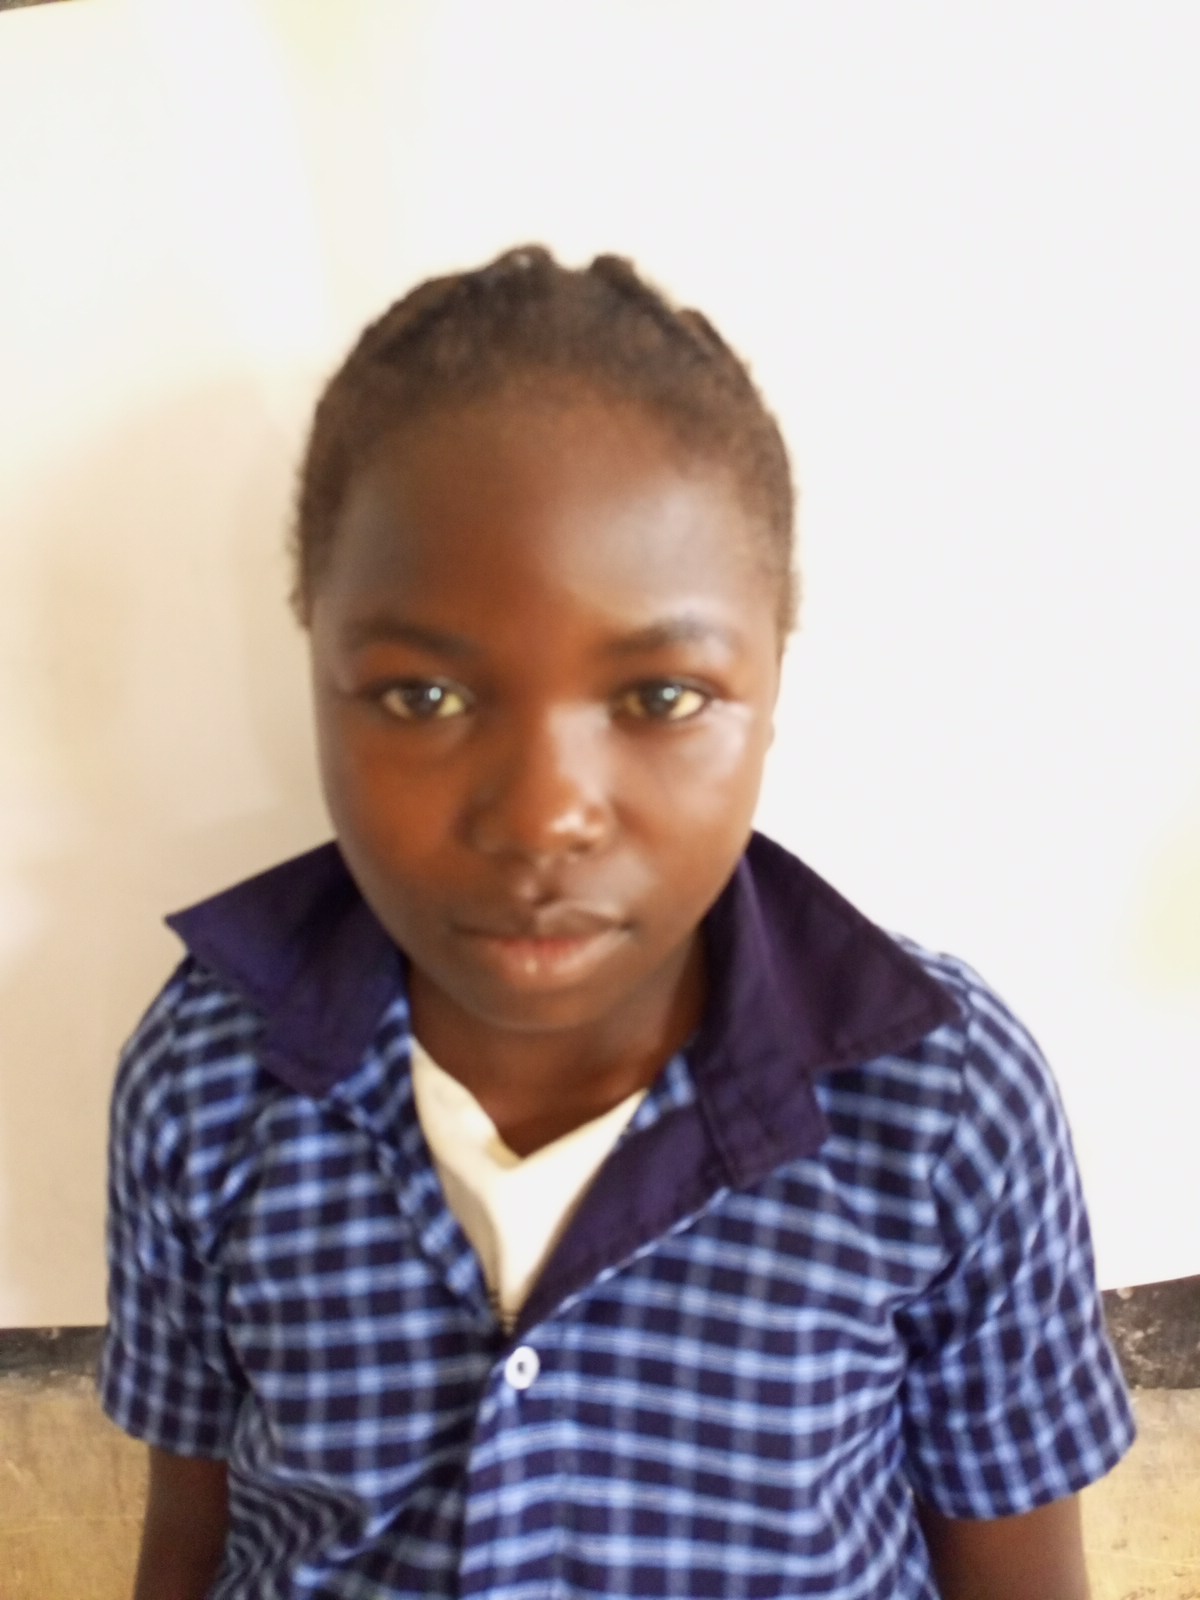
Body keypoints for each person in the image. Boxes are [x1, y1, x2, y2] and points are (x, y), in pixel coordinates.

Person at [99, 244, 1134, 1600]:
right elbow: (194, 1537)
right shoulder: (204, 1076)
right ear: (313, 655)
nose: (543, 817)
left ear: (775, 675)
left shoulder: (942, 1100)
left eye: (659, 699)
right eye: (422, 697)